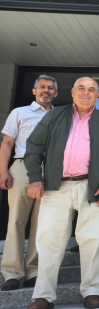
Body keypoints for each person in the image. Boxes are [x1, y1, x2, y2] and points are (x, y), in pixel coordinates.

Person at [24, 77, 99, 309]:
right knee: (49, 241)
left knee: (93, 240)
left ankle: (92, 291)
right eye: (81, 88)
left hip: (93, 187)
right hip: (55, 187)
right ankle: (44, 295)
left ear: (97, 95)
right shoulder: (54, 116)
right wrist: (35, 176)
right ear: (73, 92)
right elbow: (33, 146)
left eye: (91, 90)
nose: (86, 93)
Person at [0, 75, 58, 292]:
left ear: (56, 93)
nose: (46, 91)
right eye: (42, 87)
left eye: (50, 88)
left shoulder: (60, 115)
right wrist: (3, 171)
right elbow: (7, 143)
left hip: (50, 170)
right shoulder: (19, 112)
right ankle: (12, 273)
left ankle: (33, 270)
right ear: (34, 91)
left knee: (42, 223)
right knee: (16, 221)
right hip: (22, 168)